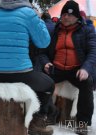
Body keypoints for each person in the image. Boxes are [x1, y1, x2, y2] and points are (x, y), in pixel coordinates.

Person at [0, 0, 54, 135]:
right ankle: (36, 122)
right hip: (18, 72)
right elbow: (44, 42)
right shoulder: (28, 13)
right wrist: (38, 19)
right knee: (49, 85)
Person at [39, 1, 96, 134]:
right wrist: (46, 63)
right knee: (40, 82)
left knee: (87, 84)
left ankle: (82, 123)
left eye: (70, 15)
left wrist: (86, 69)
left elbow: (93, 52)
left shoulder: (87, 30)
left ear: (77, 17)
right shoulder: (54, 30)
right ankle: (50, 113)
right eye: (64, 14)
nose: (66, 17)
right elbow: (42, 52)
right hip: (56, 68)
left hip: (76, 69)